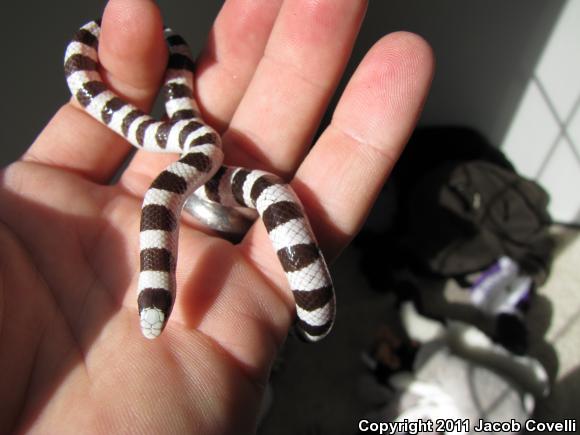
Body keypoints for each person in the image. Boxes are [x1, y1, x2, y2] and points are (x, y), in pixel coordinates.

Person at [0, 0, 434, 432]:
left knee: (220, 165)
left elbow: (185, 178)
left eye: (161, 305)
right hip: (204, 157)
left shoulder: (165, 193)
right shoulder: (165, 193)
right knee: (217, 162)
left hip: (208, 160)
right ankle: (309, 330)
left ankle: (309, 331)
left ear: (164, 283)